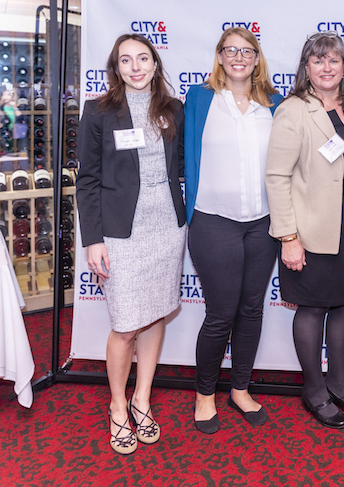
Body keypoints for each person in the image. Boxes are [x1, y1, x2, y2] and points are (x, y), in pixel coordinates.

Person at [76, 34, 186, 454]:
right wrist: (93, 239)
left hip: (167, 226)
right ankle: (118, 406)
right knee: (125, 325)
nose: (136, 67)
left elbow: (181, 167)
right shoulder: (98, 112)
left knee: (156, 311)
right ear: (116, 68)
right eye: (126, 61)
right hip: (120, 231)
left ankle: (142, 399)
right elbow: (86, 180)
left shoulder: (172, 109)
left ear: (155, 64)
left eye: (143, 58)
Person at [265, 32, 344, 429]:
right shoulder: (294, 110)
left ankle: (339, 384)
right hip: (309, 231)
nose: (327, 68)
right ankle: (313, 390)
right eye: (318, 61)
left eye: (334, 61)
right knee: (312, 309)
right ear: (306, 68)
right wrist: (289, 238)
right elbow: (276, 177)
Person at [185, 27, 282, 434]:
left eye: (248, 51)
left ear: (257, 58)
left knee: (251, 309)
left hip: (263, 224)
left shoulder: (274, 104)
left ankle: (240, 389)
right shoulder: (199, 99)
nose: (239, 57)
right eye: (231, 51)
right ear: (220, 56)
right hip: (212, 221)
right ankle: (204, 394)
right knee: (220, 314)